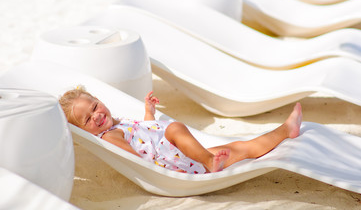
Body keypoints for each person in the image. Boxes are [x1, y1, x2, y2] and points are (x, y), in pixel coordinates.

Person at [59, 86, 302, 174]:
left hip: (182, 154)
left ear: (100, 100)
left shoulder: (120, 123)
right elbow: (133, 158)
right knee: (174, 127)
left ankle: (285, 130)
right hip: (171, 162)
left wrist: (149, 112)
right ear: (85, 130)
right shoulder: (110, 136)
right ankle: (209, 161)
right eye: (87, 119)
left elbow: (147, 132)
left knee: (242, 148)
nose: (97, 115)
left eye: (94, 106)